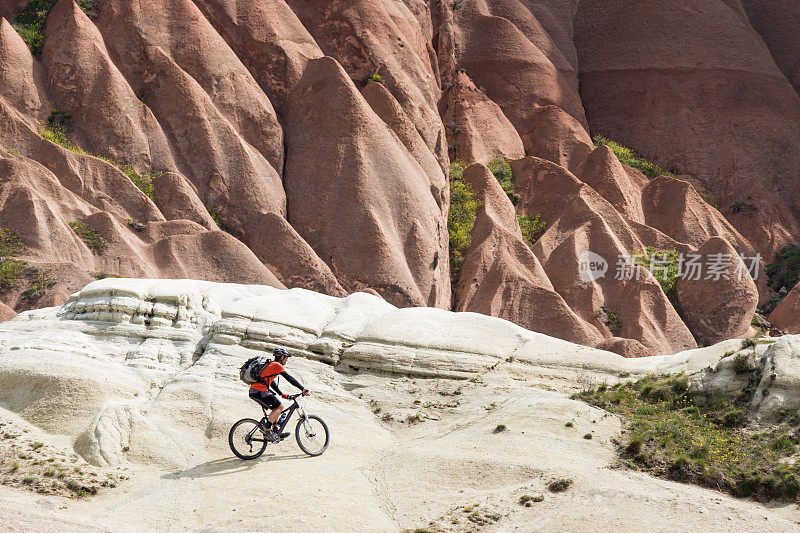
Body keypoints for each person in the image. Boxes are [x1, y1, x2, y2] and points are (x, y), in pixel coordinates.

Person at [249, 347, 308, 442]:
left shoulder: (271, 365)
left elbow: (271, 382)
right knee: (280, 407)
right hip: (260, 391)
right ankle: (266, 427)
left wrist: (281, 394)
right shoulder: (277, 365)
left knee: (275, 410)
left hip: (254, 391)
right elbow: (289, 378)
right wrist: (302, 388)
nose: (287, 360)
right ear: (282, 357)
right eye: (286, 358)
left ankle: (275, 432)